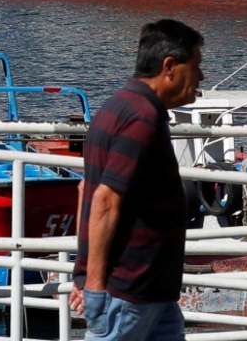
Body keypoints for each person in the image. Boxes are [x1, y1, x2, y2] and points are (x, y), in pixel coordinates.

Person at [72, 19, 205, 341]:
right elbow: (104, 200)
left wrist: (85, 271)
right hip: (131, 290)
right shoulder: (142, 119)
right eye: (196, 66)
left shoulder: (116, 107)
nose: (200, 77)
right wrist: (93, 286)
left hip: (151, 290)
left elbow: (83, 191)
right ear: (169, 67)